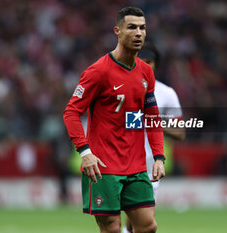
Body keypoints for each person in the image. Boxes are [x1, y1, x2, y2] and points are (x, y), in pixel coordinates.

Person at [63, 7, 165, 233]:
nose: (138, 33)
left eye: (142, 28)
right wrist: (85, 152)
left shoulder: (146, 73)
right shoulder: (98, 71)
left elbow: (151, 117)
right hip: (103, 167)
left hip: (136, 166)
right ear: (117, 31)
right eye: (132, 27)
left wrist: (158, 156)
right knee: (112, 228)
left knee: (148, 226)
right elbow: (71, 112)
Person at [123, 42, 185, 233]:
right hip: (122, 157)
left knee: (142, 220)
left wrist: (156, 122)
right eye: (141, 60)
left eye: (149, 61)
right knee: (129, 218)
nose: (145, 65)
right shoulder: (122, 88)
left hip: (150, 164)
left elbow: (180, 132)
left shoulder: (166, 93)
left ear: (156, 65)